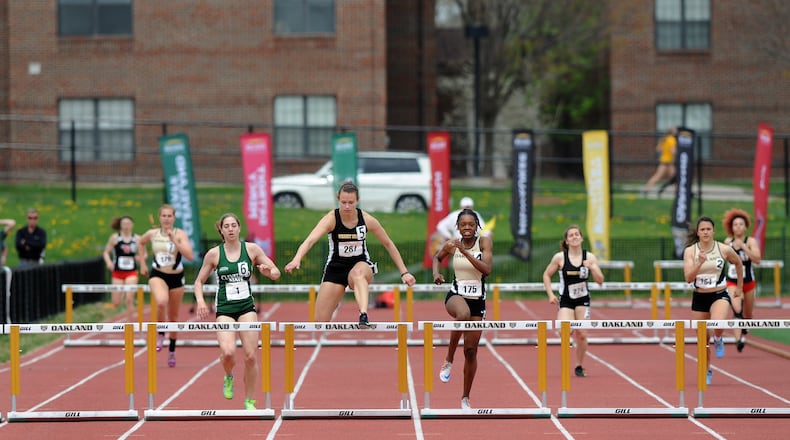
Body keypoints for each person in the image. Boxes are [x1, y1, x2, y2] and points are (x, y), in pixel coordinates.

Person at [284, 182, 416, 327]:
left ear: (357, 201)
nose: (347, 206)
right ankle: (336, 302)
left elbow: (388, 244)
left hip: (360, 264)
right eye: (343, 202)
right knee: (319, 322)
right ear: (338, 200)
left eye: (351, 202)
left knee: (357, 273)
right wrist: (297, 259)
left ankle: (363, 314)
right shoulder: (331, 219)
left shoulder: (366, 220)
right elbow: (310, 240)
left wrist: (404, 272)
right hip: (336, 267)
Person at [194, 213, 281, 411]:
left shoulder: (251, 249)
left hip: (246, 308)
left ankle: (249, 400)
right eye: (227, 226)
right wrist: (200, 301)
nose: (231, 229)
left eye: (234, 225)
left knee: (250, 356)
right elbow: (199, 282)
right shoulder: (214, 254)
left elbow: (276, 272)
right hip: (225, 309)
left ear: (239, 228)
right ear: (221, 230)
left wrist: (269, 272)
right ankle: (229, 376)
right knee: (228, 353)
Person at [432, 208, 493, 410]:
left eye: (471, 225)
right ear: (457, 227)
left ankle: (465, 398)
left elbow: (487, 270)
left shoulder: (484, 243)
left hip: (478, 300)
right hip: (456, 296)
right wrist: (436, 274)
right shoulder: (452, 244)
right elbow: (437, 258)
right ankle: (449, 359)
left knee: (470, 351)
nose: (467, 228)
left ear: (477, 226)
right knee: (463, 314)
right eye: (463, 225)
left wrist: (466, 253)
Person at [683, 216, 742, 385]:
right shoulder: (690, 251)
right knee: (702, 340)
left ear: (713, 231)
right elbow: (688, 278)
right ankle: (707, 369)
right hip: (700, 296)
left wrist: (739, 287)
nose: (705, 232)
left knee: (718, 323)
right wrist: (699, 263)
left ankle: (718, 337)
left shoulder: (723, 249)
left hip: (719, 294)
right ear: (698, 232)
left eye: (708, 229)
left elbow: (738, 263)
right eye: (702, 229)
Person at [542, 225, 604, 378]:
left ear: (581, 238)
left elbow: (600, 280)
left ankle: (578, 365)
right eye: (571, 235)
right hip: (566, 300)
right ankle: (564, 360)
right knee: (564, 330)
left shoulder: (589, 257)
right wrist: (550, 294)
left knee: (582, 334)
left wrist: (592, 268)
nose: (575, 237)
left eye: (577, 234)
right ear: (567, 241)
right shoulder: (560, 258)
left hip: (583, 300)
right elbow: (546, 275)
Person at [138, 204, 194, 367]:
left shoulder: (180, 234)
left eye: (170, 216)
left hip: (176, 277)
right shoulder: (152, 233)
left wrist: (174, 240)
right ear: (160, 217)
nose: (167, 219)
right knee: (161, 302)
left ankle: (172, 350)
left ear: (174, 218)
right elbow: (140, 243)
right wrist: (142, 263)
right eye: (164, 216)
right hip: (158, 274)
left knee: (174, 317)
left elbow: (190, 256)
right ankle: (161, 333)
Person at [722, 209, 761, 353]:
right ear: (731, 227)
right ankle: (738, 340)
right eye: (735, 224)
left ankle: (745, 325)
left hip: (748, 282)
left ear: (745, 227)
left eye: (741, 224)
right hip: (732, 281)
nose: (738, 227)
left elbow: (757, 259)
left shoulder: (751, 241)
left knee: (748, 314)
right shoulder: (728, 242)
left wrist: (744, 247)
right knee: (737, 309)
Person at [102, 215, 148, 321]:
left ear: (132, 225)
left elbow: (144, 254)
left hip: (131, 272)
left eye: (128, 224)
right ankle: (122, 294)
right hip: (117, 272)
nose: (126, 226)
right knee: (116, 302)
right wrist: (109, 262)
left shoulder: (137, 238)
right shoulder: (115, 238)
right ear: (120, 225)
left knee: (129, 299)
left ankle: (130, 324)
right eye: (124, 224)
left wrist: (140, 258)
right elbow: (106, 252)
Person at [642, 127, 678, 196]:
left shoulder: (664, 139)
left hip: (663, 160)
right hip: (669, 161)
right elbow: (673, 151)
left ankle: (646, 189)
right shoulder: (672, 139)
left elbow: (658, 149)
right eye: (675, 131)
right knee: (674, 178)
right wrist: (678, 152)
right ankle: (678, 192)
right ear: (672, 132)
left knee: (659, 176)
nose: (676, 132)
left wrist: (665, 151)